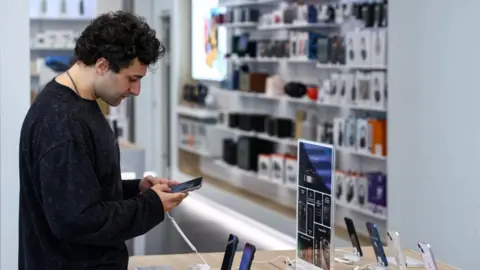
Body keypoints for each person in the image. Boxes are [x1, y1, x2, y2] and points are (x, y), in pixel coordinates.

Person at [18, 11, 187, 270]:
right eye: (132, 79)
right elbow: (77, 220)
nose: (136, 91)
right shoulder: (63, 123)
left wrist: (136, 189)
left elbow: (79, 188)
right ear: (102, 66)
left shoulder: (79, 103)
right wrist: (150, 206)